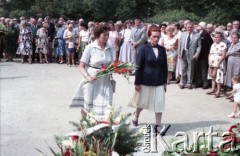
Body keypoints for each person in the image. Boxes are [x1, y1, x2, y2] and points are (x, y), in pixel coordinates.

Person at [70, 25, 114, 116]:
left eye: (108, 35)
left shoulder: (109, 48)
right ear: (98, 35)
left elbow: (111, 64)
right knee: (89, 108)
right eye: (104, 35)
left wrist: (115, 69)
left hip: (105, 81)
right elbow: (81, 66)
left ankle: (104, 128)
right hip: (92, 81)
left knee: (107, 107)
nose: (106, 37)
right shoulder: (90, 47)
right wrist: (88, 77)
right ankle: (87, 127)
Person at [131, 25, 168, 134]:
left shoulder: (162, 49)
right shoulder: (143, 49)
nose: (156, 39)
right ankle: (136, 114)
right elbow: (138, 67)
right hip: (145, 80)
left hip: (159, 81)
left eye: (158, 37)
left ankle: (158, 125)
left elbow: (164, 67)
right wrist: (137, 82)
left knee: (159, 103)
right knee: (143, 103)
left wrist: (165, 82)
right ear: (149, 37)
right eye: (154, 36)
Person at [178, 22, 202, 89]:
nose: (189, 28)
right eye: (188, 27)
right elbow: (180, 44)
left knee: (190, 69)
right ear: (186, 27)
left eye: (191, 27)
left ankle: (189, 82)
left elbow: (199, 46)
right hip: (183, 53)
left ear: (193, 27)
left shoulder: (197, 35)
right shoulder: (183, 34)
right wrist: (179, 53)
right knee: (183, 69)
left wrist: (197, 54)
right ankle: (183, 82)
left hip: (192, 54)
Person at [206, 32, 227, 98]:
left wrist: (219, 63)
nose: (216, 38)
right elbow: (210, 54)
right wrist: (209, 61)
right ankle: (213, 89)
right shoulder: (213, 44)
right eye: (215, 37)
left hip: (219, 63)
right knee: (213, 76)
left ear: (221, 38)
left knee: (218, 77)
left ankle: (218, 91)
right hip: (212, 62)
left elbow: (223, 55)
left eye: (217, 37)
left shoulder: (223, 44)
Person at [195, 24, 213, 89]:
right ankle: (199, 82)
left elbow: (210, 44)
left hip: (204, 55)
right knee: (198, 69)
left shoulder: (206, 34)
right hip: (197, 55)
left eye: (199, 26)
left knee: (203, 69)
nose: (197, 27)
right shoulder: (195, 34)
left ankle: (205, 83)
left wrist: (209, 54)